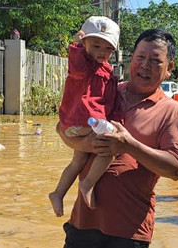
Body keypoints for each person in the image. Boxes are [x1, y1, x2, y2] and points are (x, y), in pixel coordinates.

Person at [56, 29, 178, 248]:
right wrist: (85, 142)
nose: (145, 66)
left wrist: (128, 145)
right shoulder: (106, 91)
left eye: (155, 61)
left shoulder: (172, 111)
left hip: (129, 231)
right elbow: (62, 131)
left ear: (169, 68)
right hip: (83, 222)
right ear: (130, 60)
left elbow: (176, 169)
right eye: (140, 57)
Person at [48, 16, 122, 217]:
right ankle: (88, 183)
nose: (101, 52)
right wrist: (77, 47)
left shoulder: (106, 70)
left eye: (107, 49)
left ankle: (58, 193)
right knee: (108, 150)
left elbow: (109, 99)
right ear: (84, 43)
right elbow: (78, 67)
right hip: (83, 121)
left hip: (83, 123)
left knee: (78, 160)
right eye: (96, 46)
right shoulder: (83, 67)